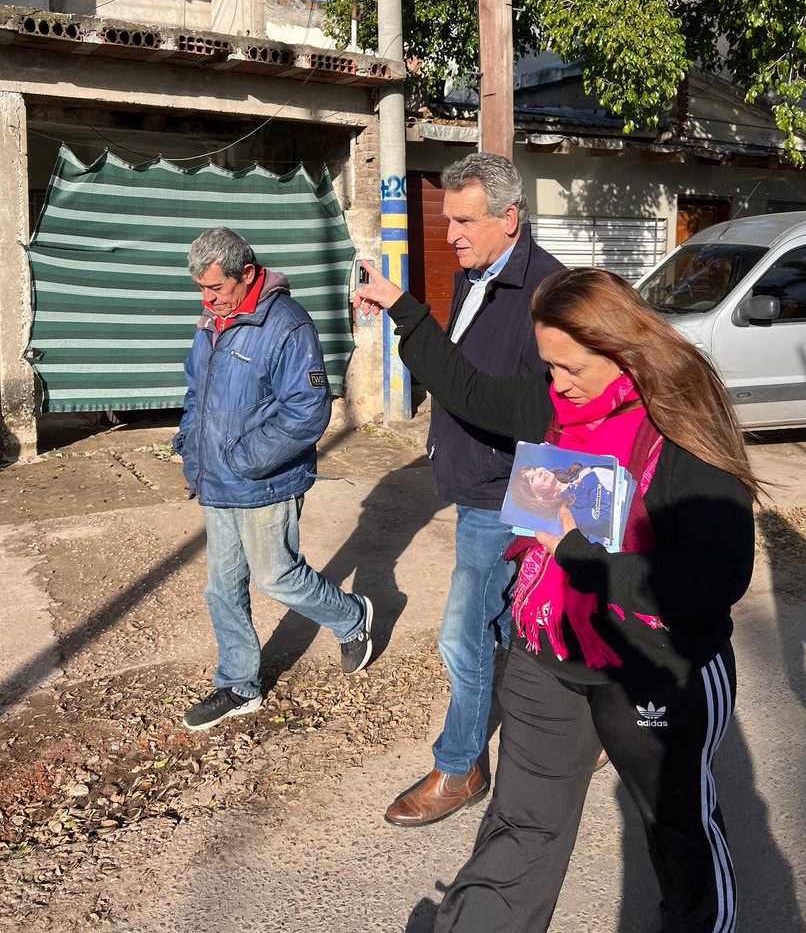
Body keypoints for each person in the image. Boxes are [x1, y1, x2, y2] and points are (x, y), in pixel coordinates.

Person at [356, 262, 756, 933]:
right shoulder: (554, 402)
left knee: (679, 836)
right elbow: (471, 391)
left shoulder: (683, 419)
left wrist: (583, 553)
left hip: (654, 667)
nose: (556, 383)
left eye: (569, 367)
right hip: (548, 652)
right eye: (548, 366)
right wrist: (406, 311)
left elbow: (716, 578)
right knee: (521, 827)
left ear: (620, 348)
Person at [383, 152, 564, 828]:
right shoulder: (473, 277)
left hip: (512, 492)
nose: (452, 233)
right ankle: (586, 718)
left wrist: (405, 315)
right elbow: (457, 373)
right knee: (519, 628)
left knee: (463, 635)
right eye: (447, 219)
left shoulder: (548, 292)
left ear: (508, 218)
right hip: (476, 484)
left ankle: (460, 767)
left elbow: (525, 409)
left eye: (464, 220)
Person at [173, 227, 373, 732]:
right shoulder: (212, 320)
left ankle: (351, 617)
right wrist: (190, 443)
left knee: (275, 576)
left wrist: (242, 459)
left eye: (215, 288)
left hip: (262, 479)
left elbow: (308, 411)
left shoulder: (288, 325)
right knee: (222, 587)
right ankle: (239, 684)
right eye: (201, 289)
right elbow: (198, 389)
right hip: (216, 479)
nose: (207, 298)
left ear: (246, 274)